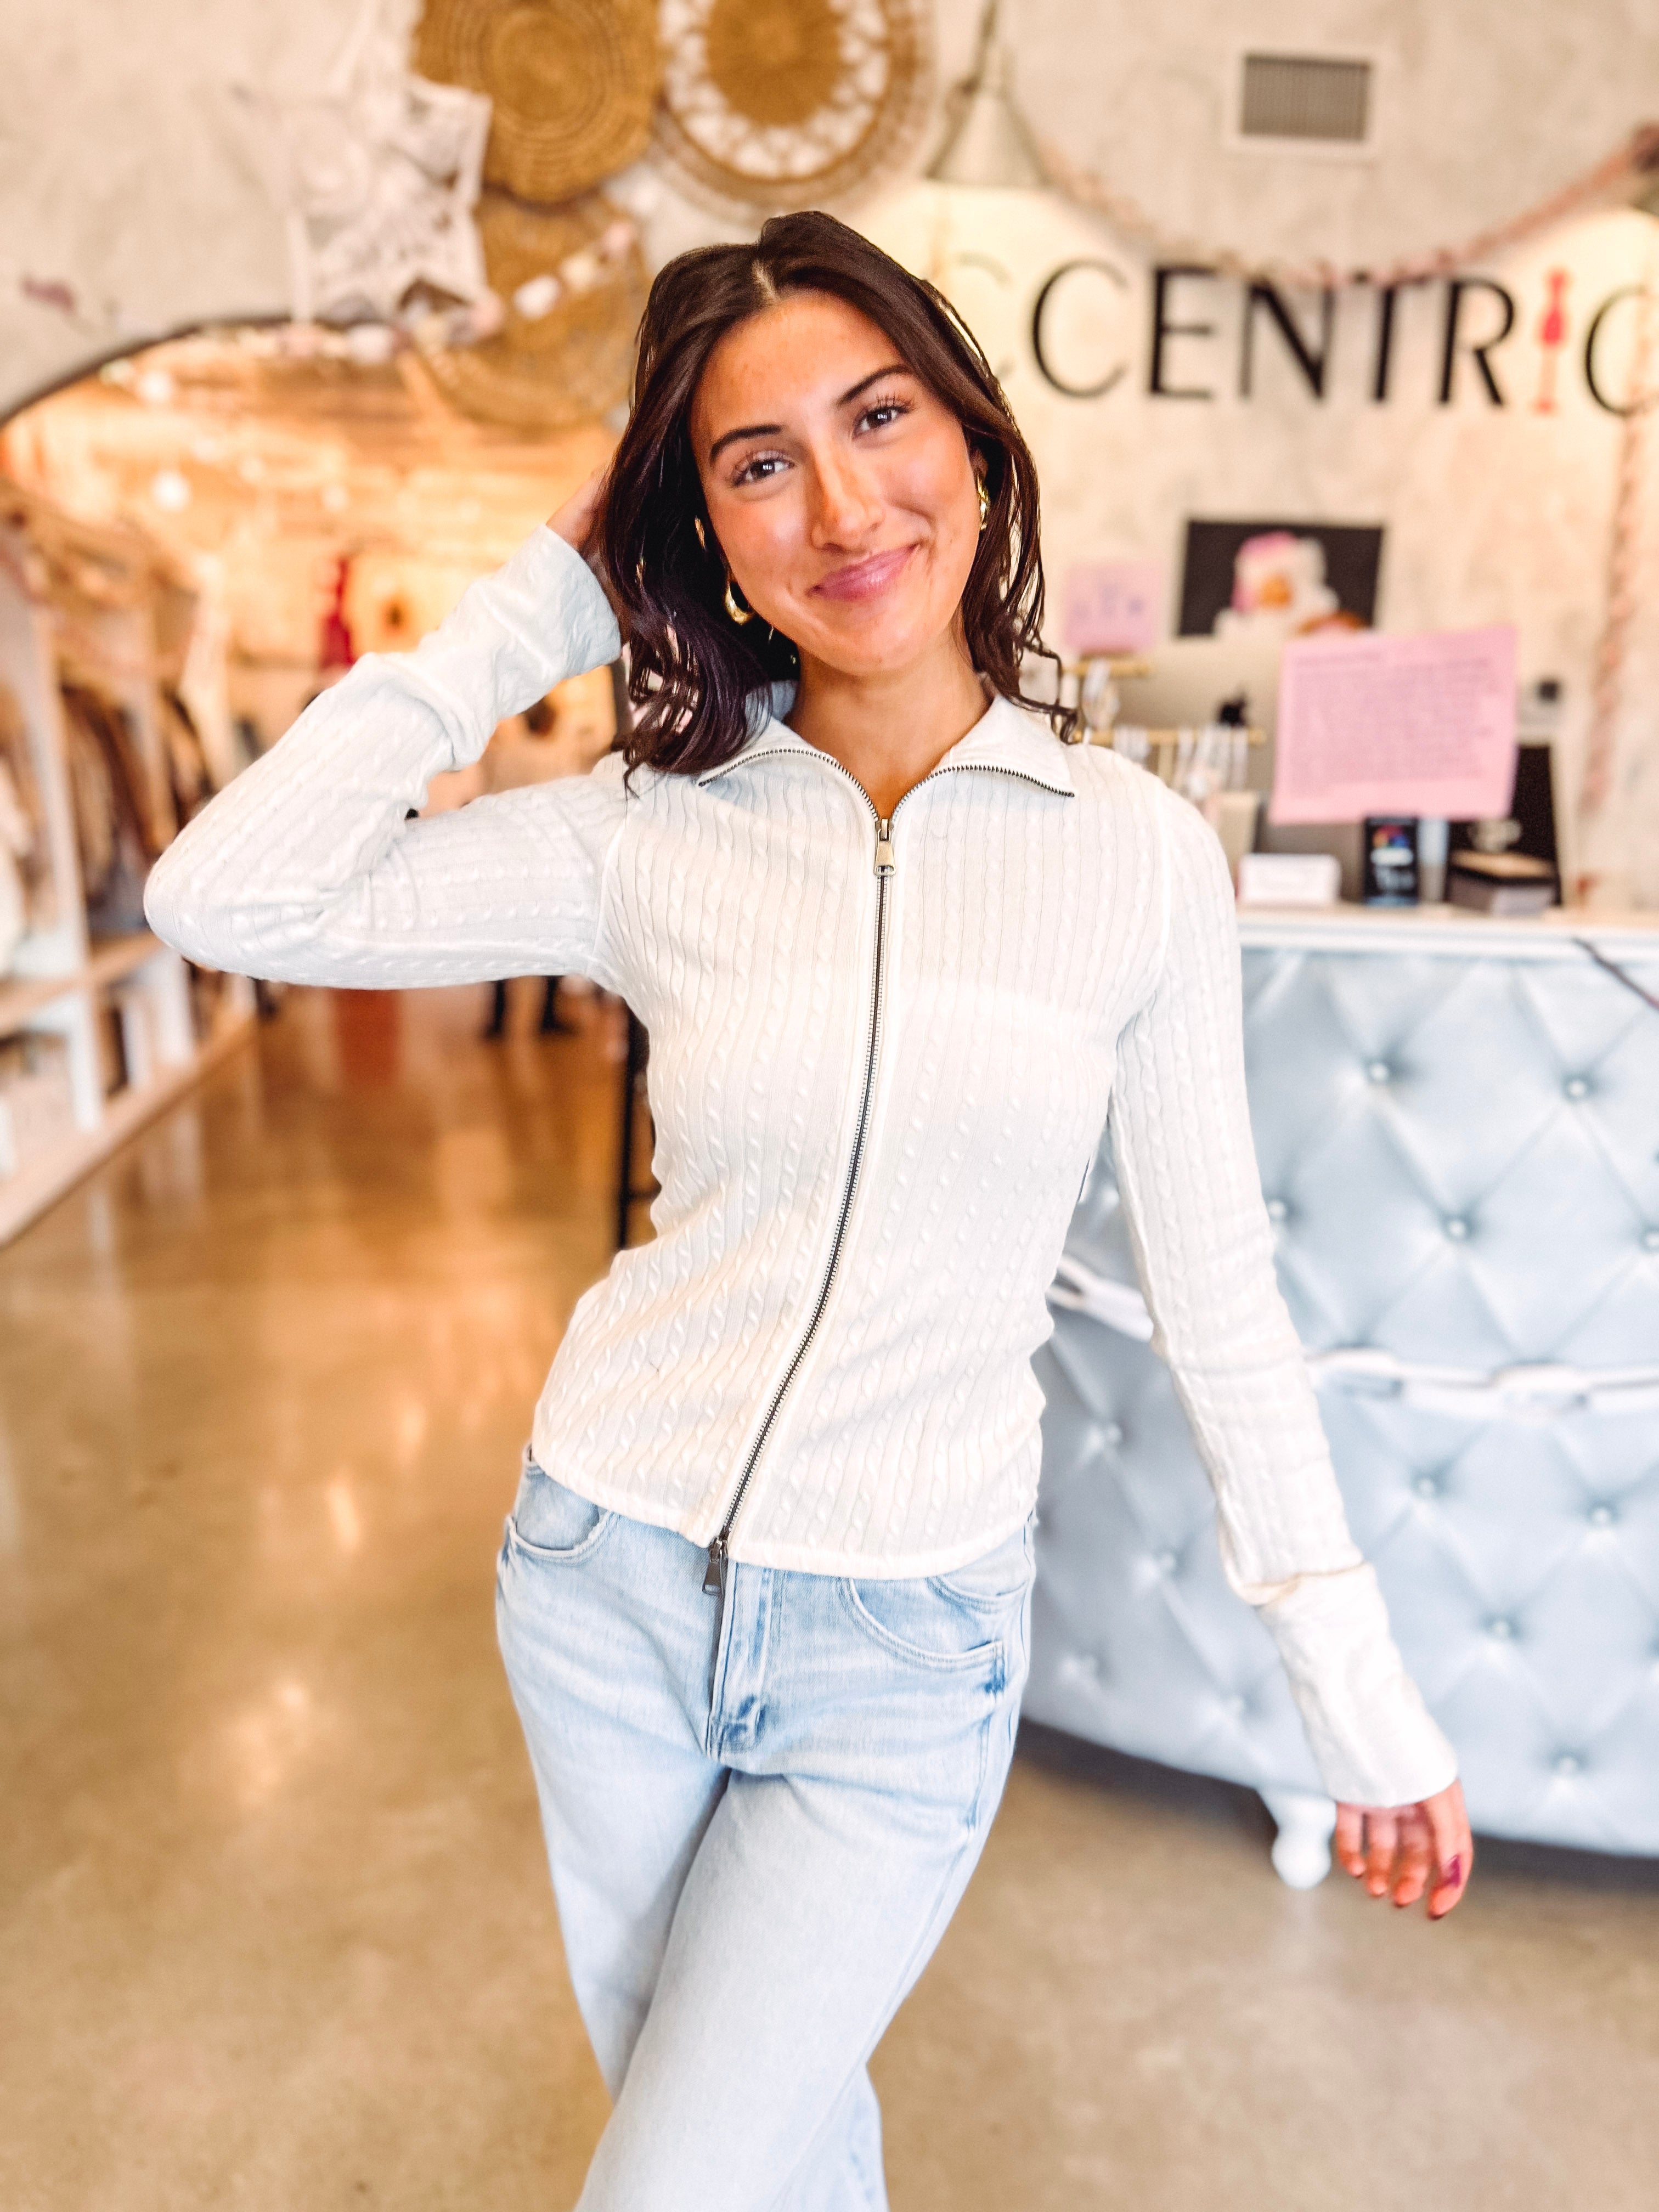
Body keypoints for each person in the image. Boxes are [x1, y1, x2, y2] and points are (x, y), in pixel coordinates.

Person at [144, 211, 1472, 2210]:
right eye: (758, 461)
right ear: (697, 528)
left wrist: (1355, 1697)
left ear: (977, 444)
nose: (842, 507)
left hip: (902, 1636)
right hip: (604, 1579)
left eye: (881, 418)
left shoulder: (1134, 859)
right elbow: (221, 895)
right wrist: (535, 606)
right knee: (765, 2154)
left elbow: (1222, 1305)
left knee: (680, 2179)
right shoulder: (648, 830)